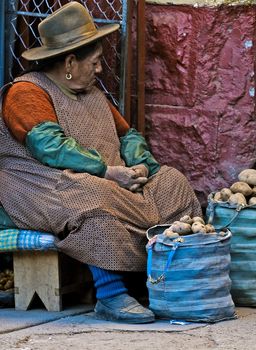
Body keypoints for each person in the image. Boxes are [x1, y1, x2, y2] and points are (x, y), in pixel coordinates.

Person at [0, 2, 202, 323]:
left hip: (107, 181)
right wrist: (107, 172)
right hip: (39, 186)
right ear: (69, 62)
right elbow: (48, 147)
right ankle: (110, 295)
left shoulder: (92, 94)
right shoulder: (26, 92)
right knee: (92, 195)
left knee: (172, 182)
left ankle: (167, 280)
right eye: (94, 63)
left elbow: (128, 136)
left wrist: (140, 166)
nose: (98, 70)